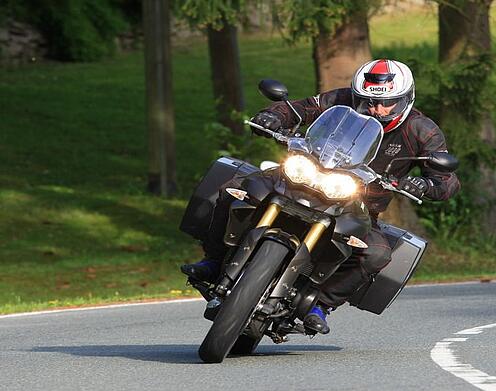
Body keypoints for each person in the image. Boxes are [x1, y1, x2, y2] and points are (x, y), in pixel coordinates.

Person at [182, 59, 460, 334]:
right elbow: (303, 108)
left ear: (405, 99)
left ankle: (320, 305)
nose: (377, 108)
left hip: (356, 202)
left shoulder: (421, 129)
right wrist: (275, 116)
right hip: (301, 177)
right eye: (368, 101)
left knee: (376, 254)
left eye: (388, 102)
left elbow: (446, 181)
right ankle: (214, 260)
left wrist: (422, 185)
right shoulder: (342, 99)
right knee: (233, 188)